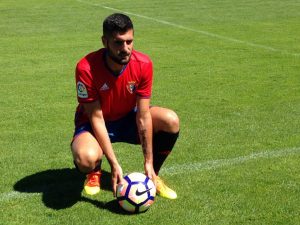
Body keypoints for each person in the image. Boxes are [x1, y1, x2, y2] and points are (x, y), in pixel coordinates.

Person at [71, 13, 179, 200]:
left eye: (129, 41)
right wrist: (114, 164)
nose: (126, 48)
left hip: (128, 118)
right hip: (94, 122)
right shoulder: (85, 68)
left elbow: (143, 116)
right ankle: (94, 172)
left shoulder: (143, 64)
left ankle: (153, 175)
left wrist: (148, 161)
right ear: (105, 42)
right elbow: (96, 118)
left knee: (171, 120)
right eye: (118, 43)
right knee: (85, 158)